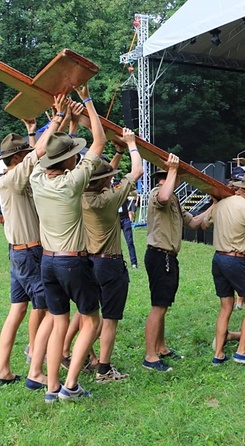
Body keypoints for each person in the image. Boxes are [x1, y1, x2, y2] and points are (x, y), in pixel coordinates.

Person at [29, 84, 105, 402]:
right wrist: (87, 99)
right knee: (92, 319)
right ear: (70, 162)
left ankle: (51, 388)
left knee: (59, 321)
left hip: (48, 261)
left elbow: (44, 152)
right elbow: (99, 141)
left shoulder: (35, 176)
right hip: (73, 261)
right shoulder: (73, 182)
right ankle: (71, 386)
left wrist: (61, 121)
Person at [0, 110, 62, 389]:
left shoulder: (12, 177)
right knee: (45, 307)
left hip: (17, 253)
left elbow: (35, 155)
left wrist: (32, 132)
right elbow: (39, 155)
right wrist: (56, 118)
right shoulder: (13, 179)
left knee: (17, 309)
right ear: (18, 158)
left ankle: (4, 371)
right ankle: (35, 367)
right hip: (30, 253)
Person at [81, 127, 143, 383]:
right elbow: (137, 171)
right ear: (105, 182)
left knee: (88, 317)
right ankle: (103, 369)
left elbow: (102, 177)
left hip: (88, 263)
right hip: (110, 265)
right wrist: (131, 144)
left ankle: (78, 356)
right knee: (110, 318)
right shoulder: (108, 199)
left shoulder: (81, 195)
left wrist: (116, 155)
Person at [143, 154, 213, 372]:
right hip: (159, 256)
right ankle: (150, 357)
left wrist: (215, 204)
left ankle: (161, 347)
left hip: (168, 257)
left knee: (163, 305)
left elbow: (193, 223)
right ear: (168, 177)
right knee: (158, 307)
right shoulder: (159, 193)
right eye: (177, 177)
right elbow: (162, 198)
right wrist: (174, 169)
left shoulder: (174, 199)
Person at [204, 168, 245, 366]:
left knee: (226, 307)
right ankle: (242, 351)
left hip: (218, 259)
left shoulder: (222, 204)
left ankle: (218, 354)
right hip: (236, 260)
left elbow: (206, 222)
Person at [118, 192, 138, 268]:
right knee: (116, 243)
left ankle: (134, 263)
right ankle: (119, 262)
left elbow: (133, 193)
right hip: (116, 220)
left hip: (125, 219)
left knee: (130, 242)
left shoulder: (124, 192)